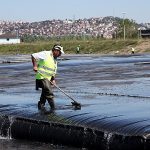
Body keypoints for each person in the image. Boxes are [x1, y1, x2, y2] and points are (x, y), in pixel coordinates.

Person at [31, 44, 64, 110]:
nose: (60, 54)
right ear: (56, 50)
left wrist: (53, 79)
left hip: (48, 79)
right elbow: (33, 55)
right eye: (59, 53)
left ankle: (41, 105)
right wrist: (35, 66)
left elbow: (53, 70)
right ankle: (53, 108)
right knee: (49, 92)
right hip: (41, 77)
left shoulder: (55, 59)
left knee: (44, 93)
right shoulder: (46, 54)